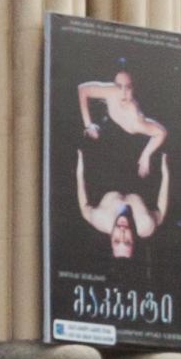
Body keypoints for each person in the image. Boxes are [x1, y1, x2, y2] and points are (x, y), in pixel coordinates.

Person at [70, 68, 172, 261]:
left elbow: (84, 208)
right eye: (128, 241)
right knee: (141, 134)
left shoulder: (100, 220)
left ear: (110, 239)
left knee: (96, 136)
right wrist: (162, 170)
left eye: (117, 241)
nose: (122, 235)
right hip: (135, 177)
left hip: (108, 172)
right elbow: (161, 210)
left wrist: (79, 169)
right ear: (135, 240)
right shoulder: (145, 226)